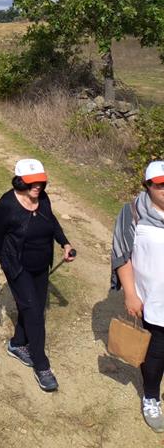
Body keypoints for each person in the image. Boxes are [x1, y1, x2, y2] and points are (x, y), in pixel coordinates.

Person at [0, 159, 74, 392]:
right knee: (34, 312)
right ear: (20, 181)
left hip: (41, 263)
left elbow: (51, 222)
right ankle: (42, 366)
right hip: (16, 264)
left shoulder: (43, 199)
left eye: (41, 182)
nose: (38, 186)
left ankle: (17, 344)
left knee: (34, 307)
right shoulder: (6, 205)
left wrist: (64, 243)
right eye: (32, 182)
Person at [111, 160, 164, 432]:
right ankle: (151, 397)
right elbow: (122, 255)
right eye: (160, 185)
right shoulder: (133, 212)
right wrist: (130, 295)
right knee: (155, 353)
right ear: (147, 186)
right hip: (153, 300)